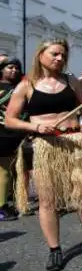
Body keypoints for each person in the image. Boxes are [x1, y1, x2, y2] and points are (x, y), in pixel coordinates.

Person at [4, 39, 82, 271]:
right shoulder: (27, 85)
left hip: (75, 142)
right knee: (48, 200)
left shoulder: (71, 81)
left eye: (63, 55)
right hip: (45, 145)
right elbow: (10, 119)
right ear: (40, 54)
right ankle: (55, 249)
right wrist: (34, 128)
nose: (60, 59)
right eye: (55, 54)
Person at [0, 58, 24, 221]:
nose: (13, 70)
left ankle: (10, 201)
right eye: (10, 67)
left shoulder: (20, 88)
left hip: (17, 134)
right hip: (2, 134)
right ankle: (1, 207)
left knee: (14, 170)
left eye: (16, 68)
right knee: (3, 170)